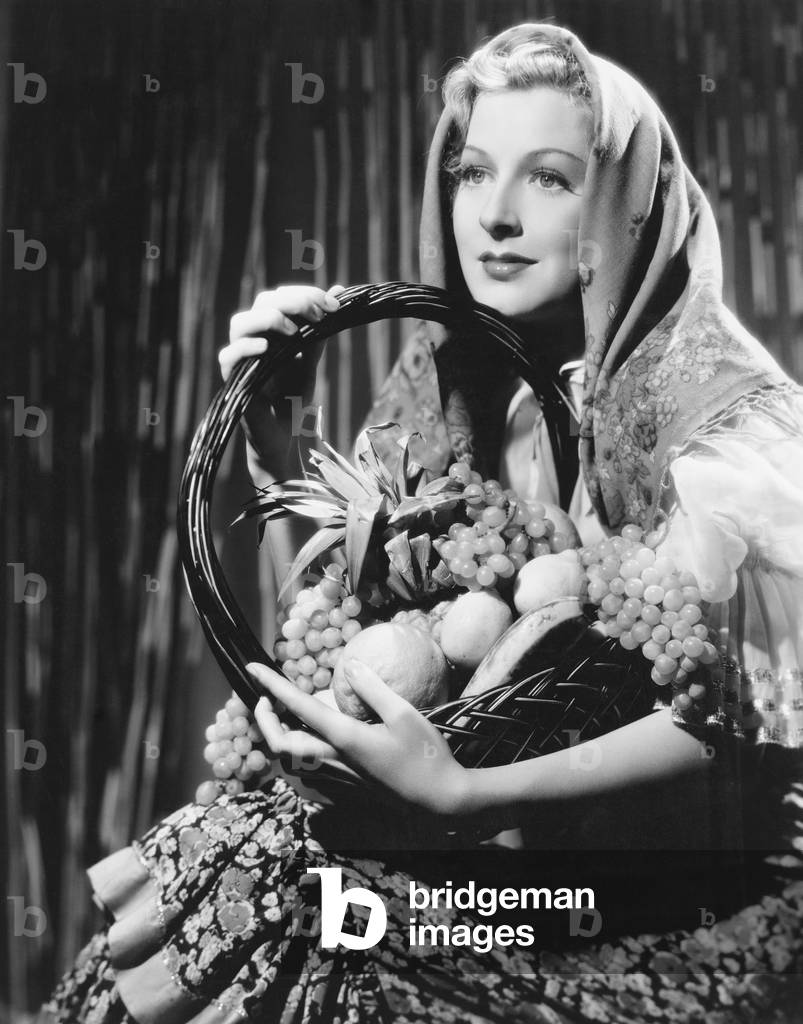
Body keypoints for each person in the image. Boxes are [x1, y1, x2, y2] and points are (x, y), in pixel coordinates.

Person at [38, 22, 803, 1024]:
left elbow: (752, 720)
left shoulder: (718, 416)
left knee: (325, 925)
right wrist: (281, 437)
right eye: (471, 172)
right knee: (248, 862)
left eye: (549, 179)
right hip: (504, 857)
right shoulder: (455, 376)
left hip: (693, 882)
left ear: (623, 206)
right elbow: (370, 617)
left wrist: (462, 796)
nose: (493, 215)